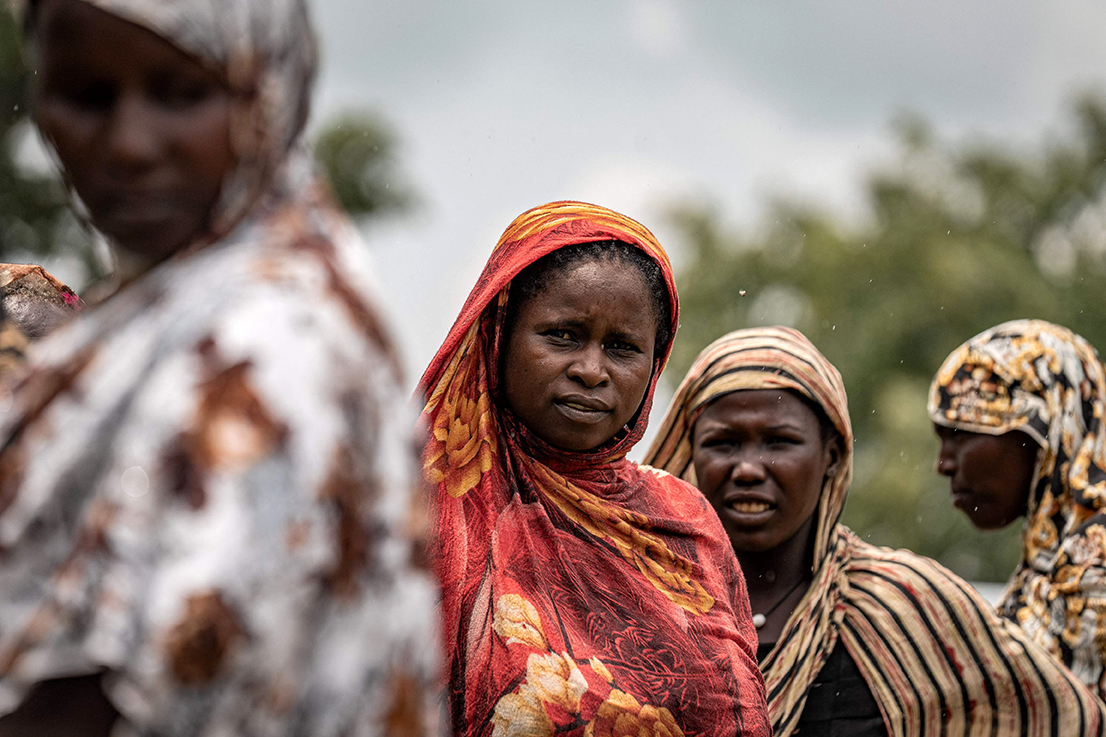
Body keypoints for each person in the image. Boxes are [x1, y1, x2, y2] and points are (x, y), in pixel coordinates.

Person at [0, 0, 441, 734]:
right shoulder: (152, 316)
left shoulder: (270, 341)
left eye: (181, 93)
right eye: (86, 96)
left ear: (266, 89)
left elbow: (159, 679)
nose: (129, 143)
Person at [645, 326, 1106, 737]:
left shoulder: (905, 604)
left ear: (831, 455)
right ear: (689, 452)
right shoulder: (637, 597)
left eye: (779, 442)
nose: (747, 468)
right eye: (722, 443)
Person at [418, 201, 770, 737]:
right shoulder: (413, 507)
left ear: (655, 365)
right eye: (562, 335)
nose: (590, 370)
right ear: (498, 335)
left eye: (623, 347)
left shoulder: (682, 520)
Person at [929, 318, 1106, 698]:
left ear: (1047, 429)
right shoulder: (1051, 564)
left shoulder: (1095, 571)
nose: (943, 463)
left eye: (961, 434)